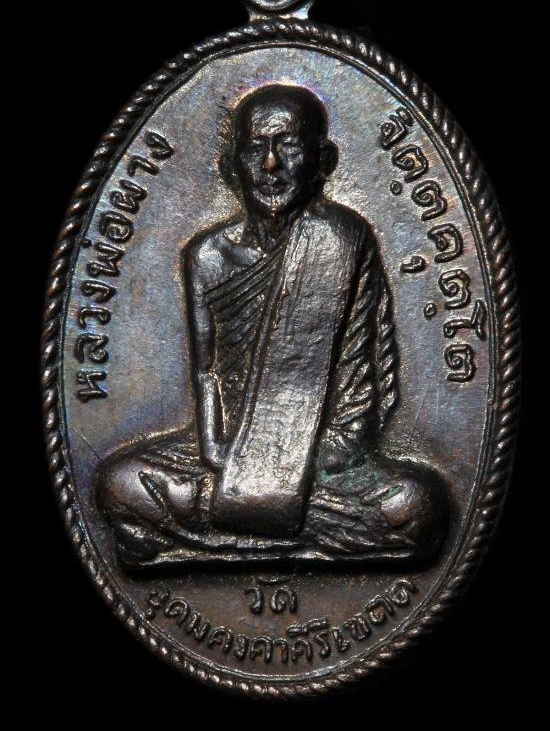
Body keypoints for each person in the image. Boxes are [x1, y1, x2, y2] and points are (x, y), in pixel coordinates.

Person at [94, 84, 447, 565]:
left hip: (318, 462)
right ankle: (283, 534)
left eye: (289, 146)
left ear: (322, 160)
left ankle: (221, 535)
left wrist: (289, 471)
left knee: (416, 505)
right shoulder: (207, 257)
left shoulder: (342, 239)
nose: (270, 165)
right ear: (230, 166)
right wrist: (220, 455)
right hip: (224, 459)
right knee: (117, 484)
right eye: (255, 148)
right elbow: (208, 374)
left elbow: (362, 390)